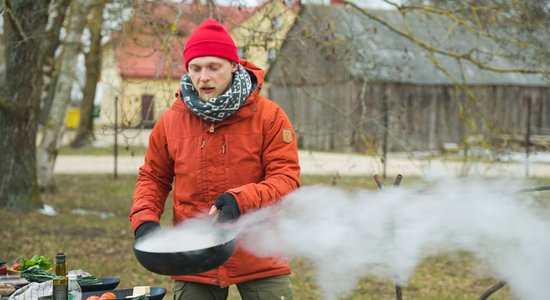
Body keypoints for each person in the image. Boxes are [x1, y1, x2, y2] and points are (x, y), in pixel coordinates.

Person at [129, 18, 301, 300]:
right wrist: (145, 220)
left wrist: (239, 199)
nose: (203, 77)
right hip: (193, 256)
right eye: (195, 68)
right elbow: (152, 177)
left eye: (213, 67)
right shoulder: (171, 120)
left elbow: (286, 180)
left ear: (234, 66)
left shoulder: (269, 116)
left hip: (258, 252)